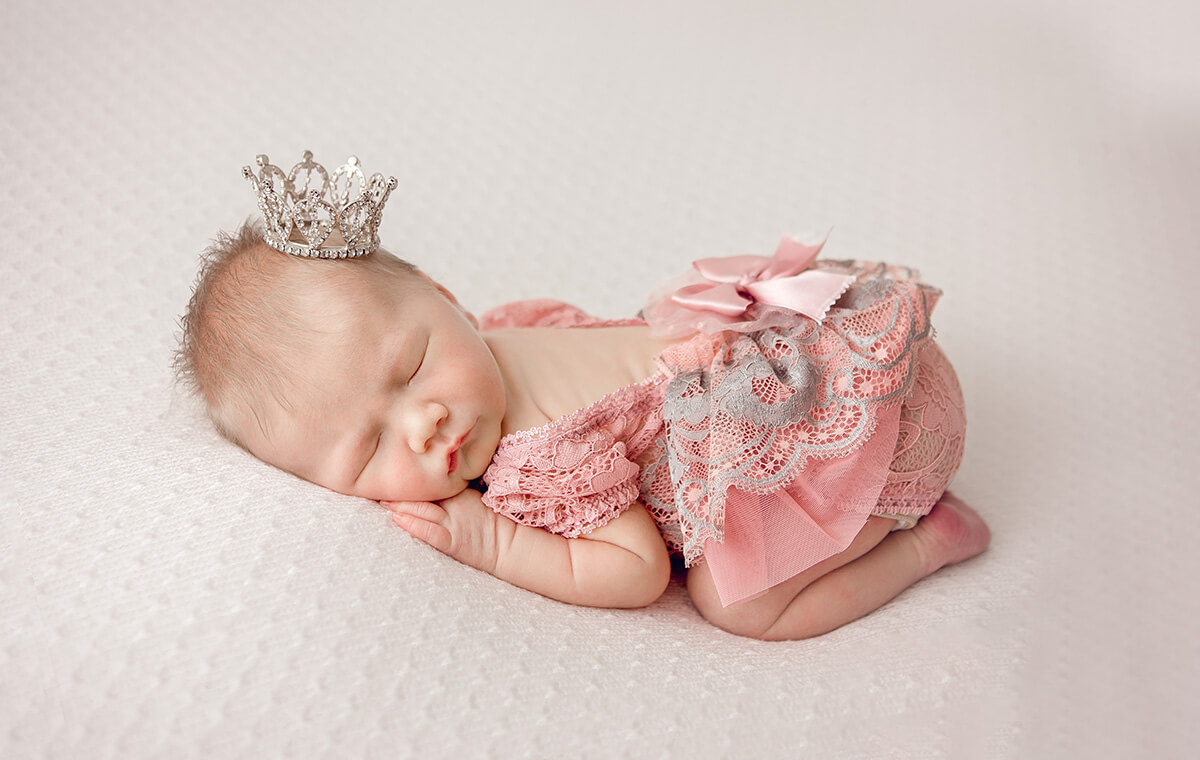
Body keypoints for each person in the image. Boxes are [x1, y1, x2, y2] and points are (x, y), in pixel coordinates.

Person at [177, 158, 989, 640]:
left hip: (869, 429)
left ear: (445, 294)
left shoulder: (539, 458)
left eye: (413, 366)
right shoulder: (507, 331)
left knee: (739, 606)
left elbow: (635, 571)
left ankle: (926, 544)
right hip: (864, 353)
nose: (422, 426)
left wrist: (491, 544)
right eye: (367, 450)